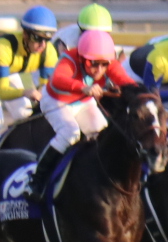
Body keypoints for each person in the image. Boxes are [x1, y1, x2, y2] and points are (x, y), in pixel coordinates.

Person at [31, 28, 139, 203]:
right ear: (82, 58)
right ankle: (37, 180)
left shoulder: (107, 62)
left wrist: (142, 95)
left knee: (102, 132)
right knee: (70, 133)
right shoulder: (70, 58)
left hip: (82, 101)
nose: (99, 69)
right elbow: (58, 79)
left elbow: (127, 82)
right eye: (92, 64)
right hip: (56, 101)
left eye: (104, 64)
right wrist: (83, 88)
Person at [0, 8, 60, 150]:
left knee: (24, 114)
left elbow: (45, 89)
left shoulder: (49, 52)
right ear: (25, 34)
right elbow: (2, 92)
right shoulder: (3, 48)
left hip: (8, 69)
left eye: (47, 39)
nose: (42, 45)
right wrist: (26, 92)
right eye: (37, 38)